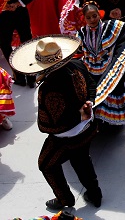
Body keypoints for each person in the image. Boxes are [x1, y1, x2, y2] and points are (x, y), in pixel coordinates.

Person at [9, 35, 102, 210]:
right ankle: (95, 194)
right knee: (82, 160)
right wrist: (89, 102)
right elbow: (91, 84)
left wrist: (76, 117)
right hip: (89, 127)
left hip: (67, 138)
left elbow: (46, 126)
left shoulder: (48, 89)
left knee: (46, 164)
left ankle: (64, 199)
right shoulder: (78, 65)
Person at [0, 0, 39, 87]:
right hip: (4, 16)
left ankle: (26, 76)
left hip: (17, 14)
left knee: (22, 42)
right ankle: (25, 76)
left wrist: (17, 3)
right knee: (17, 43)